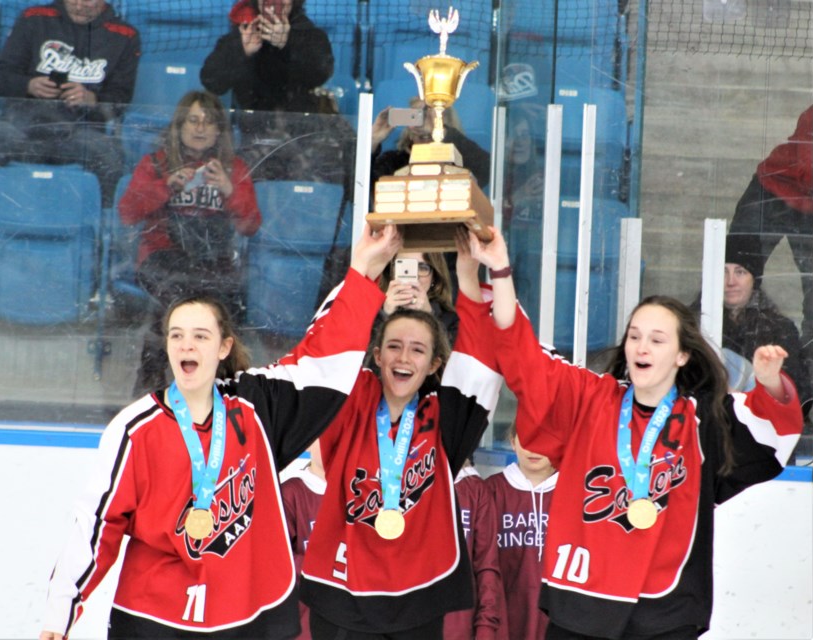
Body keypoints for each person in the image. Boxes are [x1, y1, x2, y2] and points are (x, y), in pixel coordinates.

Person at [38, 223, 401, 640]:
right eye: (177, 336)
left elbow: (321, 360)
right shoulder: (135, 428)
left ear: (223, 347)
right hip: (155, 620)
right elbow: (96, 525)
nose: (186, 345)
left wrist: (361, 271)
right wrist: (59, 616)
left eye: (200, 336)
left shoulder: (255, 408)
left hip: (247, 617)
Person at [464, 227, 803, 640]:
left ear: (681, 354)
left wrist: (769, 384)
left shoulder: (702, 417)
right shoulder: (591, 397)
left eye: (657, 340)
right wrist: (499, 268)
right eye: (635, 337)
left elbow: (770, 436)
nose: (642, 347)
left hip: (667, 608)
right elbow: (522, 356)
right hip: (582, 600)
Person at [298, 237, 504, 639]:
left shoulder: (448, 418)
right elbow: (324, 351)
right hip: (342, 592)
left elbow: (483, 355)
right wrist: (365, 275)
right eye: (393, 346)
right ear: (376, 355)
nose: (403, 358)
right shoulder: (350, 402)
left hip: (418, 595)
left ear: (435, 364)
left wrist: (470, 274)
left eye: (417, 350)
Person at [119, 90, 261, 396]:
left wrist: (228, 189)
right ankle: (152, 383)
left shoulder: (233, 169)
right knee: (178, 299)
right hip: (162, 258)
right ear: (179, 126)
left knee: (217, 306)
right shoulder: (156, 164)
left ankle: (223, 387)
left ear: (219, 130)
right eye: (192, 120)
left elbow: (251, 225)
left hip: (214, 261)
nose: (199, 128)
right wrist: (164, 187)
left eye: (208, 122)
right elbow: (127, 213)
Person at [0, 0, 140, 205]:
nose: (79, 6)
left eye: (88, 1)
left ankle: (103, 229)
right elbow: (0, 78)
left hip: (81, 131)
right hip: (23, 127)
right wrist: (29, 85)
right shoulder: (34, 18)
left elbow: (121, 97)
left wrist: (91, 99)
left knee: (109, 157)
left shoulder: (125, 35)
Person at [728, 105, 812, 401]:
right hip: (772, 190)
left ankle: (805, 392)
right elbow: (807, 169)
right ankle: (726, 371)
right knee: (733, 277)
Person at [485, 425, 557, 640]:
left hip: (557, 618)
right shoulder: (489, 491)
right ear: (512, 441)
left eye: (544, 438)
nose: (533, 449)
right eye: (527, 437)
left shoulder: (573, 493)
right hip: (502, 614)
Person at [200, 0, 333, 115]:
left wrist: (289, 42)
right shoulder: (243, 33)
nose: (275, 3)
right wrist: (241, 51)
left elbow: (320, 73)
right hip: (251, 130)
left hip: (298, 129)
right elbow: (211, 81)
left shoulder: (310, 36)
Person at [719, 235, 810, 404]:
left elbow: (799, 395)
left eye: (740, 272)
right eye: (723, 271)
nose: (730, 282)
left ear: (754, 279)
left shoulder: (780, 329)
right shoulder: (691, 322)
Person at [443, 460, 507, 640]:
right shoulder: (404, 487)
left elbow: (487, 565)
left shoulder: (475, 489)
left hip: (460, 628)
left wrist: (486, 626)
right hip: (410, 624)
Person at [371, 98, 491, 188]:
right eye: (416, 116)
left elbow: (488, 171)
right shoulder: (395, 162)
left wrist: (439, 131)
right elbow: (362, 186)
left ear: (447, 122)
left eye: (428, 116)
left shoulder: (461, 158)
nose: (422, 122)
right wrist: (372, 141)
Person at [281, 440, 326, 640]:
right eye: (323, 437)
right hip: (306, 625)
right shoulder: (290, 493)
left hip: (353, 621)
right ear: (307, 442)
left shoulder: (359, 491)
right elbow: (278, 560)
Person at [378, 251, 459, 346]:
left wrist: (429, 317)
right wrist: (385, 315)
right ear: (391, 272)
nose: (414, 276)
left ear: (434, 277)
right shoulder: (371, 312)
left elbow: (448, 358)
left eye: (422, 268)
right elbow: (363, 357)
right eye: (405, 267)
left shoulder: (451, 320)